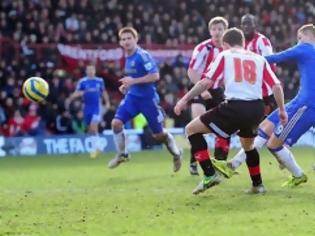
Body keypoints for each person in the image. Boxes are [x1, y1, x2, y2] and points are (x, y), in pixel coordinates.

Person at [174, 28, 287, 195]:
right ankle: (258, 185)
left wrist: (184, 99)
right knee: (248, 146)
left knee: (191, 129)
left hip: (235, 107)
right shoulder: (258, 58)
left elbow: (206, 82)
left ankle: (209, 174)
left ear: (225, 44)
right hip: (256, 108)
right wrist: (282, 110)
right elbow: (276, 85)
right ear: (243, 43)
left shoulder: (225, 55)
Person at [216, 24, 315, 187]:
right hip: (299, 101)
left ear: (306, 36)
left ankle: (298, 174)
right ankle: (232, 164)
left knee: (273, 144)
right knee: (264, 127)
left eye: (299, 38)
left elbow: (276, 57)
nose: (298, 42)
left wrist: (248, 58)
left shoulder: (305, 48)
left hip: (306, 105)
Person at [108, 27, 182, 172]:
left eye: (129, 38)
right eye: (123, 39)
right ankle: (122, 154)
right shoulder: (127, 57)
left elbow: (155, 76)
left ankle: (177, 154)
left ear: (136, 39)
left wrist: (132, 82)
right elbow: (134, 79)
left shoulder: (142, 55)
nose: (126, 41)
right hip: (133, 99)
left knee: (159, 136)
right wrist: (127, 86)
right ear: (120, 43)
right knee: (116, 123)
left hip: (148, 101)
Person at [187, 16, 230, 175]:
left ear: (225, 30)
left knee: (225, 127)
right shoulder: (203, 48)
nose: (217, 32)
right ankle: (194, 161)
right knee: (197, 126)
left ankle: (220, 164)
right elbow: (191, 71)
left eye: (220, 29)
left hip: (218, 90)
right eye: (214, 29)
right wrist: (202, 89)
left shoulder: (229, 50)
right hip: (200, 87)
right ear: (209, 30)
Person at [66, 64, 110, 158]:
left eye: (92, 70)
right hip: (87, 108)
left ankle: (94, 150)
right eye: (88, 70)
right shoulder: (82, 82)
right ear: (86, 71)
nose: (90, 71)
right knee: (91, 129)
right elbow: (76, 93)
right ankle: (99, 148)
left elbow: (104, 92)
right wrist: (77, 94)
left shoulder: (99, 81)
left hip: (96, 108)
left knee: (94, 127)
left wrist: (107, 102)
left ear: (94, 71)